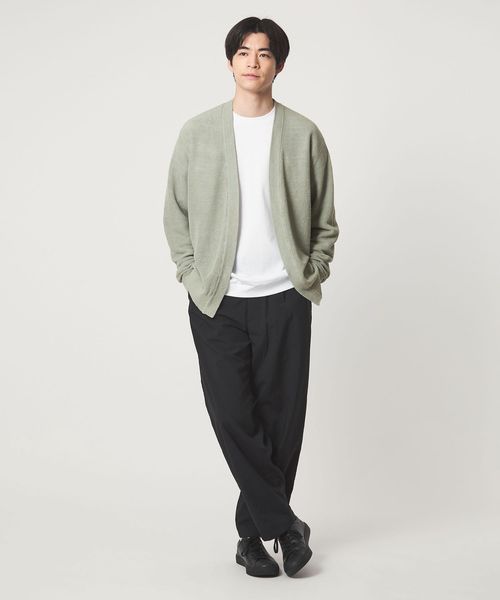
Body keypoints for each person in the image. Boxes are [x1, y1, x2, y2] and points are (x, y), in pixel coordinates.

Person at [163, 16, 339, 578]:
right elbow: (176, 213)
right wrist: (191, 273)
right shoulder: (198, 133)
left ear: (278, 65)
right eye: (243, 52)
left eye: (264, 53)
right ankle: (286, 527)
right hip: (218, 300)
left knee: (281, 422)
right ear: (230, 61)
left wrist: (312, 269)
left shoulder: (303, 134)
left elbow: (325, 219)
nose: (252, 62)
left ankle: (250, 539)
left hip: (285, 297)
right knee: (234, 418)